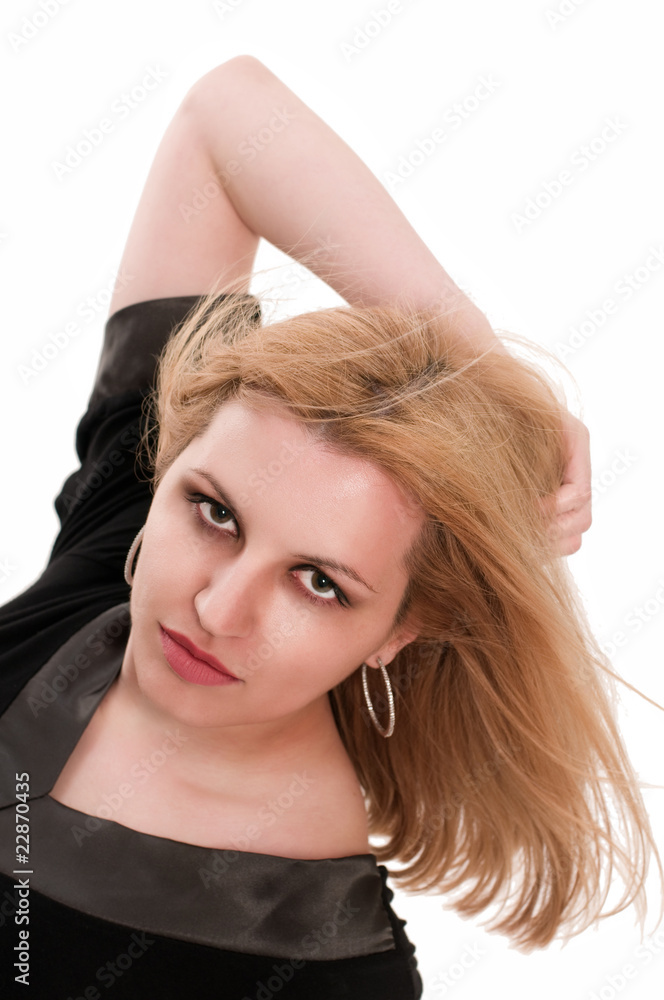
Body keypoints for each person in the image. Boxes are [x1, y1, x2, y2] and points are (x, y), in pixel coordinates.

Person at [0, 55, 656, 999]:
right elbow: (226, 117)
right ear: (169, 467)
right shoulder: (120, 538)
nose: (216, 608)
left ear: (402, 626)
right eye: (216, 513)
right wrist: (481, 371)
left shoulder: (332, 976)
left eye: (320, 583)